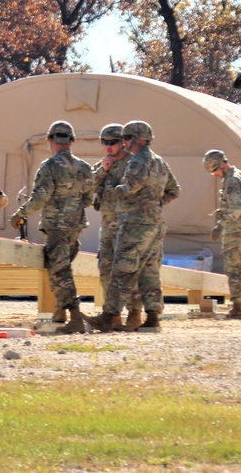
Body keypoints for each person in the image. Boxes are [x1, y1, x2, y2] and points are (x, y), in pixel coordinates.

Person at [87, 120, 180, 332]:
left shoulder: (137, 161)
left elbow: (131, 187)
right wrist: (154, 205)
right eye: (105, 142)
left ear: (136, 139)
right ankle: (152, 317)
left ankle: (112, 315)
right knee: (147, 270)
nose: (120, 143)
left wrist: (118, 194)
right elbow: (174, 190)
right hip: (145, 222)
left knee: (123, 269)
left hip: (133, 222)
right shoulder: (159, 161)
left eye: (123, 139)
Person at [10, 120, 94, 334]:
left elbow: (40, 197)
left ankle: (75, 318)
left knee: (60, 269)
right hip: (76, 225)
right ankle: (60, 311)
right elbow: (88, 198)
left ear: (50, 140)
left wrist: (20, 213)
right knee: (62, 267)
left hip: (56, 225)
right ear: (71, 141)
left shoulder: (49, 166)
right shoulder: (84, 167)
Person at [92, 123, 144, 329]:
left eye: (112, 142)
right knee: (105, 268)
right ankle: (112, 315)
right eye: (104, 143)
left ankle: (134, 312)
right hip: (107, 225)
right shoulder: (103, 164)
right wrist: (103, 171)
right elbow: (89, 187)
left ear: (122, 142)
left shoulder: (134, 164)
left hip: (128, 225)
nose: (108, 147)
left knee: (129, 270)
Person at [203, 149, 241, 318]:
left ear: (222, 165)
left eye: (214, 170)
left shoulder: (231, 181)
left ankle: (237, 307)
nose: (214, 175)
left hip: (236, 230)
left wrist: (220, 225)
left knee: (234, 269)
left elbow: (236, 207)